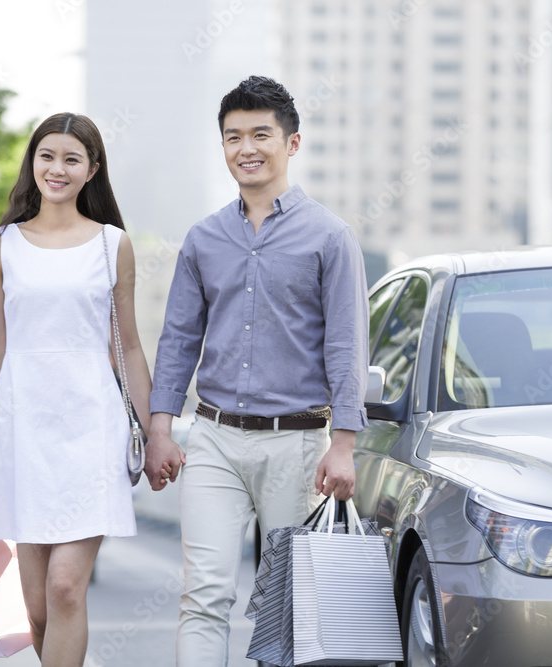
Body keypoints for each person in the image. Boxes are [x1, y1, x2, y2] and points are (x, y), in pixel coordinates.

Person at [147, 75, 369, 665]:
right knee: (203, 593)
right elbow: (177, 340)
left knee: (290, 603)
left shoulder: (330, 237)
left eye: (260, 134)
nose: (245, 148)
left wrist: (342, 444)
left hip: (296, 444)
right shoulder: (203, 239)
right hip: (214, 438)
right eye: (232, 137)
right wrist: (160, 429)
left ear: (291, 143)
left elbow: (347, 346)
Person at [0, 112, 152, 667]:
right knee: (37, 607)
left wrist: (154, 431)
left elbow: (132, 349)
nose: (57, 168)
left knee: (67, 587)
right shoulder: (2, 245)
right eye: (47, 155)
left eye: (72, 158)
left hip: (91, 432)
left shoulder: (112, 245)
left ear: (92, 170)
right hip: (22, 436)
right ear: (32, 162)